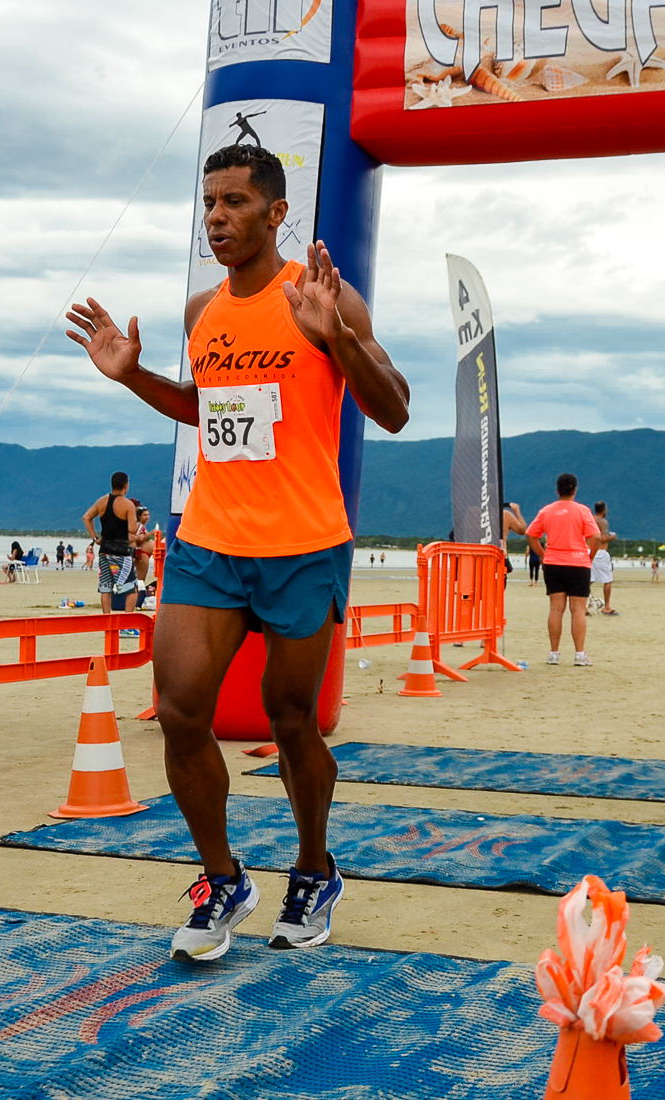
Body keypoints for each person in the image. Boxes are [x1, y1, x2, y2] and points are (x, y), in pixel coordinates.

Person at [66, 142, 409, 963]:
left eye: (234, 203)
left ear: (276, 212)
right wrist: (132, 377)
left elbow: (393, 409)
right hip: (211, 541)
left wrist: (341, 341)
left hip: (303, 543)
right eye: (209, 204)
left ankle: (314, 869)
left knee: (293, 721)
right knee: (183, 711)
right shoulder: (201, 312)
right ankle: (222, 879)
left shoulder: (323, 298)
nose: (216, 218)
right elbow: (204, 406)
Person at [525, 474, 595, 666]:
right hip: (578, 562)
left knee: (556, 608)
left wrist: (542, 555)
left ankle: (554, 653)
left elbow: (531, 535)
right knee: (578, 609)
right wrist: (590, 556)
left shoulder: (547, 511)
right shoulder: (582, 511)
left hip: (554, 562)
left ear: (558, 490)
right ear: (575, 489)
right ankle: (580, 654)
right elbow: (595, 536)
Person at [84, 472, 142, 611]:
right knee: (132, 588)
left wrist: (95, 538)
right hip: (122, 550)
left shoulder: (102, 501)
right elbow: (132, 529)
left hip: (104, 550)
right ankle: (127, 624)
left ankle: (107, 621)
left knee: (105, 587)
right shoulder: (128, 505)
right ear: (126, 486)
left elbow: (87, 517)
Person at [589, 501, 618, 615]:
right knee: (607, 580)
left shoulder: (589, 520)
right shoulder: (602, 522)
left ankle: (584, 605)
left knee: (589, 580)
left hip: (588, 551)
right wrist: (612, 537)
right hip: (600, 552)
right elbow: (602, 538)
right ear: (604, 510)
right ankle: (607, 607)